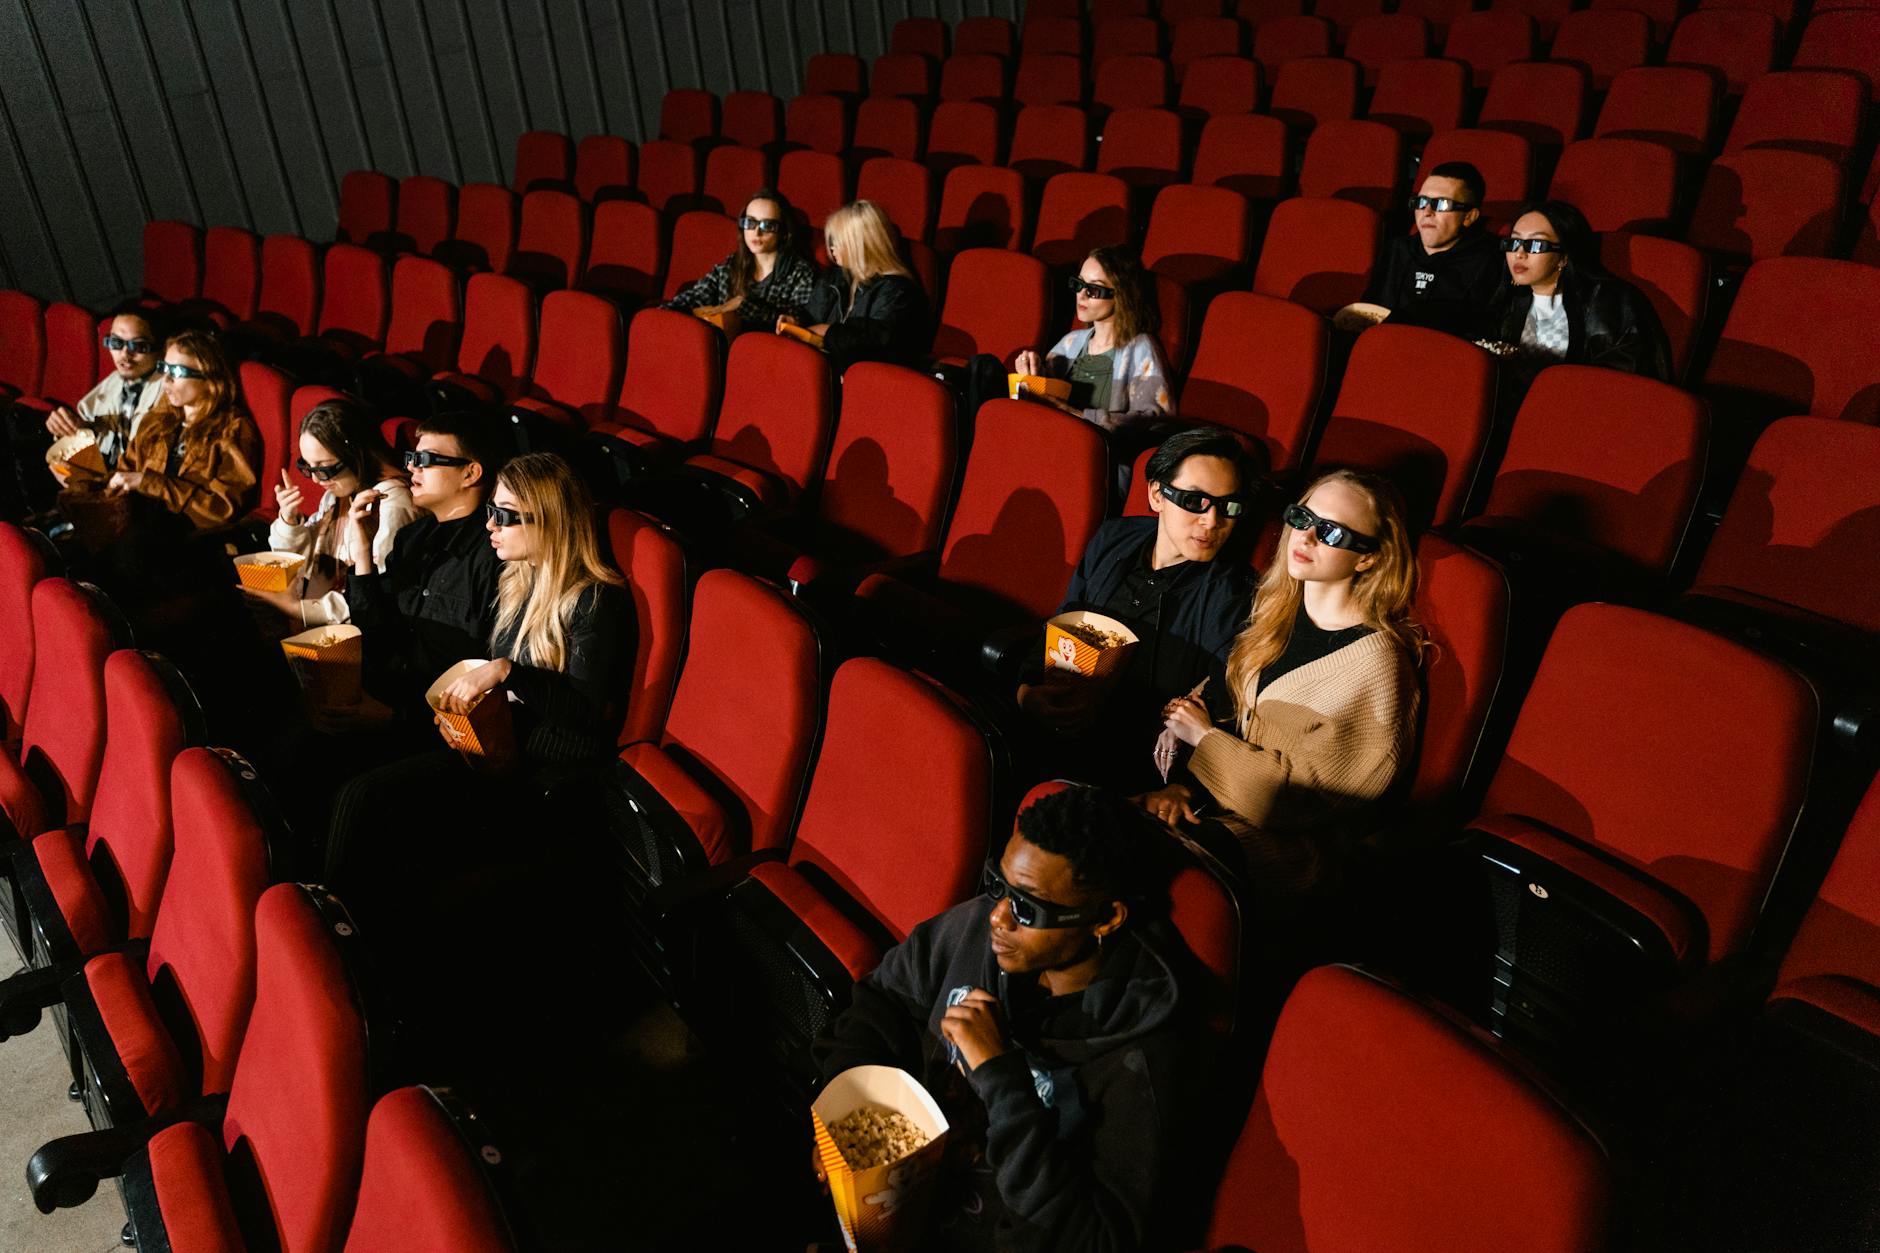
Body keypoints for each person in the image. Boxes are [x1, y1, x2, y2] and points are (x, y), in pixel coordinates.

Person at [813, 784, 1203, 1253]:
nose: (998, 917)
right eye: (998, 885)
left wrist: (1002, 1080)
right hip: (894, 1211)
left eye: (1027, 906)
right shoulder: (975, 931)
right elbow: (882, 1001)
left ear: (1105, 919)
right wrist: (844, 1119)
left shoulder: (1143, 1060)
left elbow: (1098, 1239)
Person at [1137, 469, 1426, 907]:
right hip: (1214, 809)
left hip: (1289, 854)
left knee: (1124, 863)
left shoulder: (1377, 668)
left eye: (1330, 532)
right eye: (1302, 517)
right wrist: (1183, 763)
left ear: (1368, 557)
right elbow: (1224, 694)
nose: (1304, 538)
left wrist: (1202, 737)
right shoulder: (1279, 614)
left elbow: (1288, 802)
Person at [1017, 428, 1256, 794]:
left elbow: (1221, 702)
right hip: (1058, 724)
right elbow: (1066, 615)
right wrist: (1027, 691)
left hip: (1129, 765)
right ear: (1157, 494)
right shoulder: (1115, 537)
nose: (1212, 521)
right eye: (1194, 502)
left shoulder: (1234, 592)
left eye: (1229, 506)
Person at [344, 411, 506, 712]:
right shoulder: (411, 537)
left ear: (470, 474)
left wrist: (392, 718)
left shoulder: (495, 551)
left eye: (424, 460)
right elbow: (376, 637)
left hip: (434, 720)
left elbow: (480, 672)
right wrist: (363, 550)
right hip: (383, 697)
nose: (410, 467)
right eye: (411, 458)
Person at [250, 398, 418, 630]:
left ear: (357, 454)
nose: (316, 479)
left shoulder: (390, 503)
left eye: (325, 468)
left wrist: (295, 609)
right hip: (320, 625)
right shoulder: (337, 494)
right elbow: (303, 567)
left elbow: (375, 595)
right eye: (307, 467)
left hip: (357, 639)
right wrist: (289, 522)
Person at [1480, 200, 1673, 381]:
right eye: (1514, 243)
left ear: (1564, 256)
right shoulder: (1510, 295)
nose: (1519, 254)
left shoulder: (1611, 301)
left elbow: (1619, 378)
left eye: (1536, 245)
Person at [106, 328, 262, 531]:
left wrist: (150, 483)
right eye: (165, 368)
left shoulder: (233, 429)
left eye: (177, 372)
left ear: (209, 380)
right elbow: (125, 471)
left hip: (190, 542)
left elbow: (221, 509)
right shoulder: (158, 417)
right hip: (139, 526)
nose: (166, 380)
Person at [1012, 247, 1174, 434]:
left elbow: (1155, 421)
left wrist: (1075, 415)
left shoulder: (1140, 348)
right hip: (1050, 438)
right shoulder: (1070, 342)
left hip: (1098, 454)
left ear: (1121, 296)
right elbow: (1043, 399)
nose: (1081, 295)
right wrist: (1031, 372)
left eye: (1094, 290)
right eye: (1079, 284)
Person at [1340, 162, 1503, 339]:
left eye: (1441, 204)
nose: (1427, 211)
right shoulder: (1396, 249)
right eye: (1421, 201)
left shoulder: (1490, 260)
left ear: (1469, 217)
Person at [781, 200, 930, 372]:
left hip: (866, 380)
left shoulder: (897, 291)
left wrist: (829, 332)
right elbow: (811, 316)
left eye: (838, 241)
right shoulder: (833, 277)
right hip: (820, 371)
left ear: (860, 244)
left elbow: (879, 344)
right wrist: (795, 321)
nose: (831, 248)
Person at [663, 190, 820, 333]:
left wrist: (743, 305)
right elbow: (696, 296)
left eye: (767, 225)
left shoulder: (800, 272)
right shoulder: (731, 265)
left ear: (783, 232)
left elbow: (795, 322)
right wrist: (661, 315)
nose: (756, 232)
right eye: (750, 223)